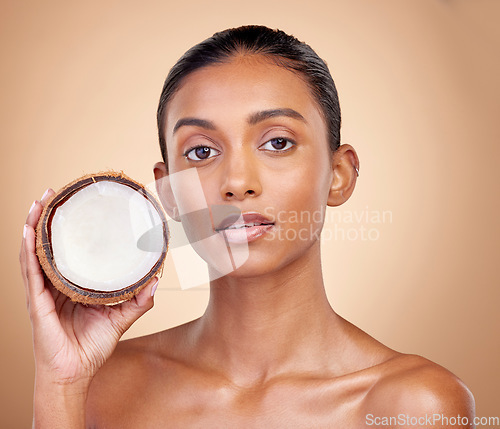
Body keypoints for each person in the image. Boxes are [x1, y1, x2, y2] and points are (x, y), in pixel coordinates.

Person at [20, 25, 475, 428]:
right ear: (170, 193)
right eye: (201, 151)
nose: (237, 183)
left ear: (339, 175)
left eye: (277, 142)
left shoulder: (415, 405)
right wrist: (61, 384)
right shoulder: (101, 387)